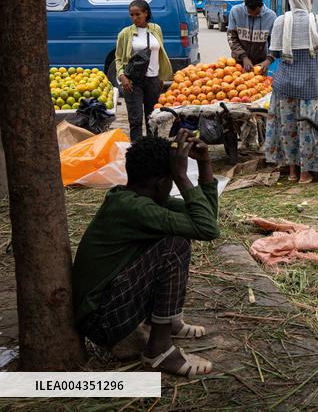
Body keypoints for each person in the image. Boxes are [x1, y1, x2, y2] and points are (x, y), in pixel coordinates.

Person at [73, 131, 218, 376]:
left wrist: (204, 163)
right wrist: (182, 176)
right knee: (174, 245)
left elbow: (205, 219)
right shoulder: (135, 209)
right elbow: (207, 229)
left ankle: (166, 321)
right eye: (172, 180)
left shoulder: (139, 198)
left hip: (108, 308)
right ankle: (158, 351)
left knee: (177, 236)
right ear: (164, 182)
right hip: (102, 322)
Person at [265, 0, 318, 184]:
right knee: (308, 129)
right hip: (310, 86)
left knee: (287, 128)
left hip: (284, 84)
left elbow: (276, 51)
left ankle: (293, 171)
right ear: (308, 0)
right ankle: (306, 173)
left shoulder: (280, 22)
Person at [115, 0, 173, 141]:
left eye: (138, 14)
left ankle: (152, 149)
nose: (135, 18)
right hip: (132, 81)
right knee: (135, 120)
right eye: (132, 15)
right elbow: (118, 58)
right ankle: (137, 150)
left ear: (146, 13)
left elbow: (159, 54)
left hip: (153, 79)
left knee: (153, 119)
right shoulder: (125, 33)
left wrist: (161, 77)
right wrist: (122, 77)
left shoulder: (156, 29)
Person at [227, 0, 277, 73]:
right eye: (250, 13)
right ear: (245, 6)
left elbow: (275, 43)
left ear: (261, 6)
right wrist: (244, 57)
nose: (253, 15)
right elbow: (231, 38)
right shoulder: (235, 12)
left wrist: (269, 60)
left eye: (256, 13)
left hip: (260, 64)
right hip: (238, 62)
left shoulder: (271, 16)